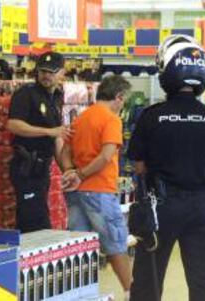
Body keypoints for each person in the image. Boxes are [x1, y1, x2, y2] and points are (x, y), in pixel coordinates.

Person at [127, 35, 205, 301]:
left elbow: (139, 165)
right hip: (203, 206)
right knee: (202, 279)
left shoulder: (152, 116)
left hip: (160, 207)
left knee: (149, 277)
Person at [60, 75, 132, 300]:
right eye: (124, 100)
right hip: (100, 190)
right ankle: (133, 292)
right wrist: (80, 174)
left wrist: (71, 171)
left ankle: (80, 293)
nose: (123, 105)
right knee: (115, 244)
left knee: (79, 245)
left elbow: (64, 152)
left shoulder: (81, 118)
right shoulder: (111, 120)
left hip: (76, 193)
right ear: (118, 97)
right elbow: (106, 156)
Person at [7, 51, 71, 233]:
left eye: (51, 72)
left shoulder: (57, 96)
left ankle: (27, 260)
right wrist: (48, 131)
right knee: (35, 222)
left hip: (42, 168)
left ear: (61, 73)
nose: (46, 75)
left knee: (34, 217)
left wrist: (68, 170)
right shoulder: (26, 94)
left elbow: (57, 137)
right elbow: (13, 125)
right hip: (26, 166)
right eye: (42, 71)